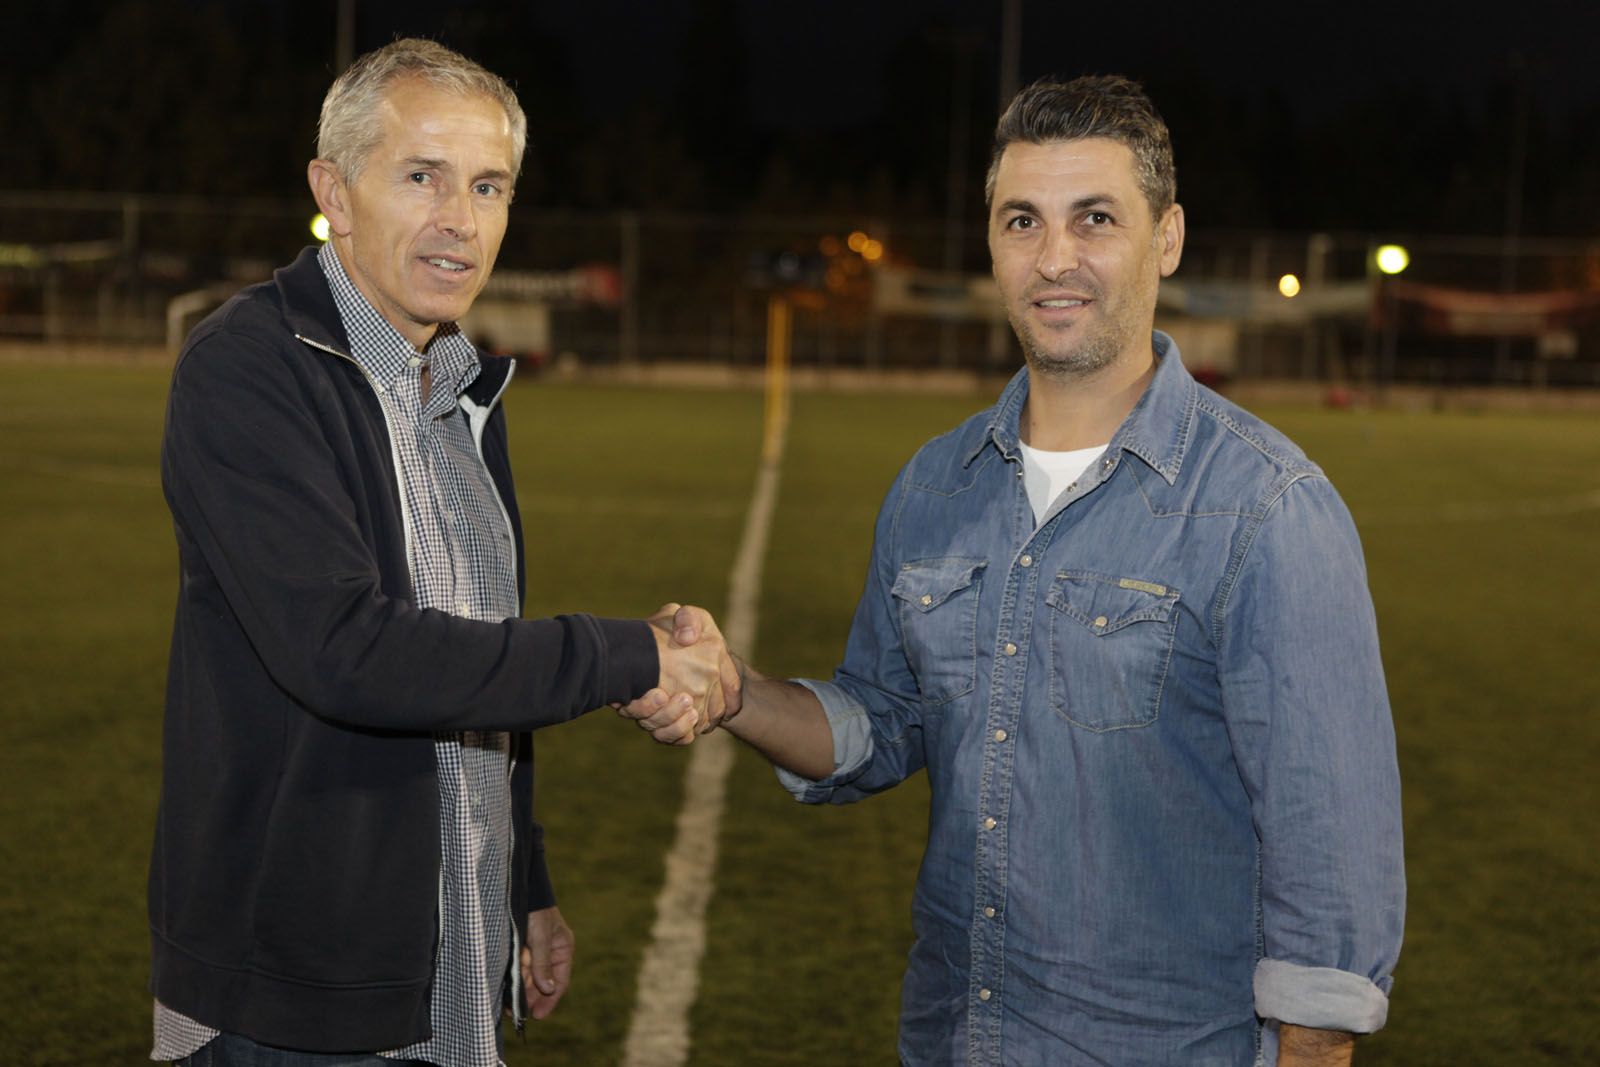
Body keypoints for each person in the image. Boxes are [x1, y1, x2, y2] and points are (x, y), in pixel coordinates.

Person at [626, 75, 1404, 1066]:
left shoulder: (1267, 506)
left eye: (1095, 218)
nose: (1054, 258)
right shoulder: (934, 485)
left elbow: (1328, 843)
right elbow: (881, 721)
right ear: (992, 244)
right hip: (956, 1037)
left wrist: (1313, 1049)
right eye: (1022, 220)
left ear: (1166, 237)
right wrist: (736, 690)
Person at [148, 39, 731, 1067]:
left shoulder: (460, 388)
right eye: (422, 176)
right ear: (334, 191)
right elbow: (347, 650)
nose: (461, 218)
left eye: (488, 185)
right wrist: (626, 653)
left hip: (450, 960)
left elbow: (469, 655)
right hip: (295, 994)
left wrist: (522, 883)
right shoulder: (249, 368)